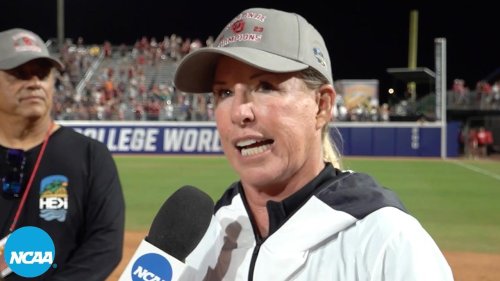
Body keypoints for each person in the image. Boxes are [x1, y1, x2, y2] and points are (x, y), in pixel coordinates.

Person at [174, 7, 454, 280]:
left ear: (321, 106)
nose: (239, 111)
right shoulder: (204, 232)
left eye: (265, 87)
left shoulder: (387, 242)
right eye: (223, 92)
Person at [0, 28, 125, 280]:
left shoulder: (91, 155)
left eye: (42, 74)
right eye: (20, 74)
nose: (34, 82)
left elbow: (106, 245)